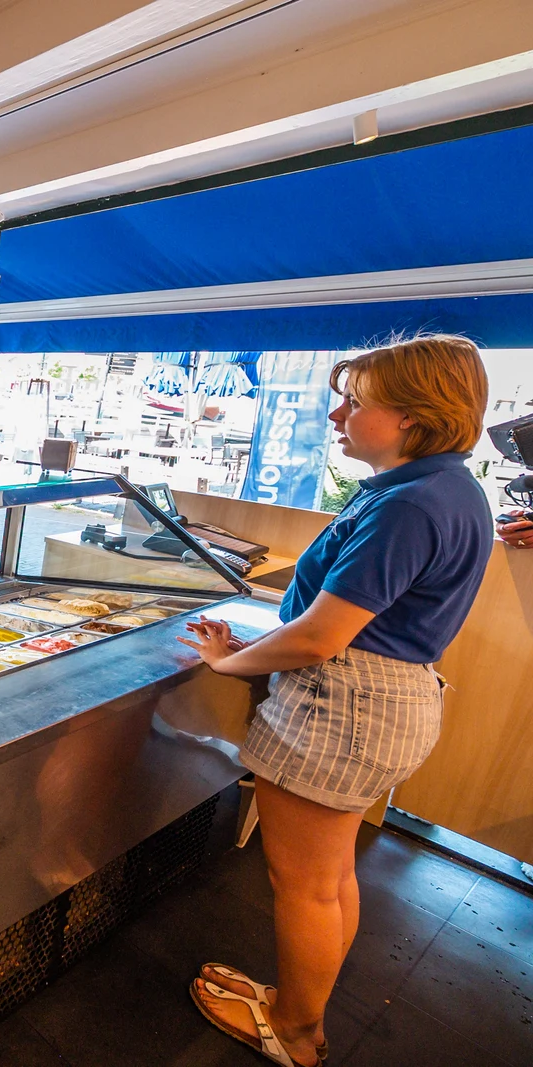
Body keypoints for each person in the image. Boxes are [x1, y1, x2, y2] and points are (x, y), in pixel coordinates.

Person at [179, 335, 492, 1067]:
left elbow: (321, 636)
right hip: (389, 700)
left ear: (412, 416)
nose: (336, 415)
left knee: (305, 885)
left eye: (355, 402)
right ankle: (301, 1005)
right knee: (332, 875)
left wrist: (229, 661)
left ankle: (293, 1032)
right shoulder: (448, 487)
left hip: (341, 706)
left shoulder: (410, 504)